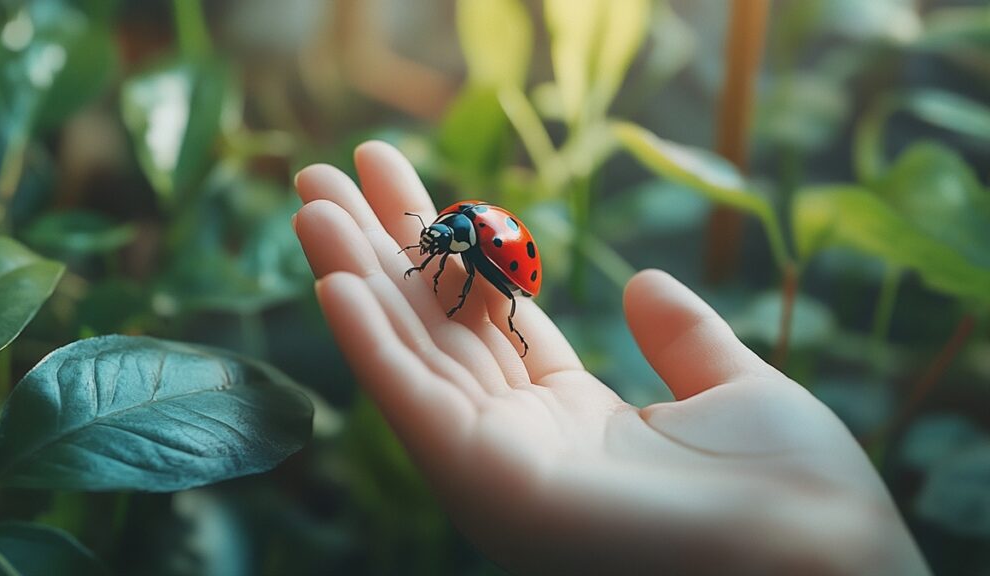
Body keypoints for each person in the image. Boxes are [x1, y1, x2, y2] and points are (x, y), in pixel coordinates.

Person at [291, 141, 930, 576]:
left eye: (433, 239)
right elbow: (458, 245)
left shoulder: (472, 235)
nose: (429, 245)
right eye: (430, 240)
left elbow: (477, 263)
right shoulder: (457, 228)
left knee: (492, 287)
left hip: (495, 258)